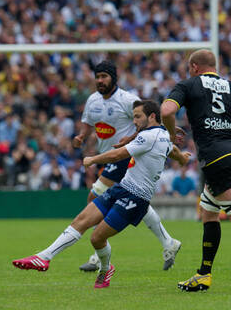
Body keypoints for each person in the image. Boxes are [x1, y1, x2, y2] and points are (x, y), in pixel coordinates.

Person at [12, 100, 190, 288]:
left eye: (138, 117)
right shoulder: (161, 136)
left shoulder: (150, 137)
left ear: (152, 116)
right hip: (121, 188)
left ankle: (106, 269)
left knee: (96, 238)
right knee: (80, 220)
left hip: (135, 198)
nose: (134, 121)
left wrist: (92, 159)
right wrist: (182, 158)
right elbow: (173, 150)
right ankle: (43, 257)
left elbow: (117, 155)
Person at [72, 60, 182, 272]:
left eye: (104, 76)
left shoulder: (128, 99)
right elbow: (88, 123)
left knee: (94, 197)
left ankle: (98, 255)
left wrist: (129, 140)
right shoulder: (93, 100)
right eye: (97, 77)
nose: (100, 81)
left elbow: (146, 121)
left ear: (114, 78)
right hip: (109, 155)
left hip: (125, 155)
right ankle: (168, 242)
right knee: (136, 201)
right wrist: (81, 136)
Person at [161, 49, 231, 292]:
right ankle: (204, 274)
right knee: (209, 211)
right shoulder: (229, 85)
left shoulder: (189, 84)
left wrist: (172, 133)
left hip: (215, 156)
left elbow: (167, 111)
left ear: (193, 66)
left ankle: (204, 274)